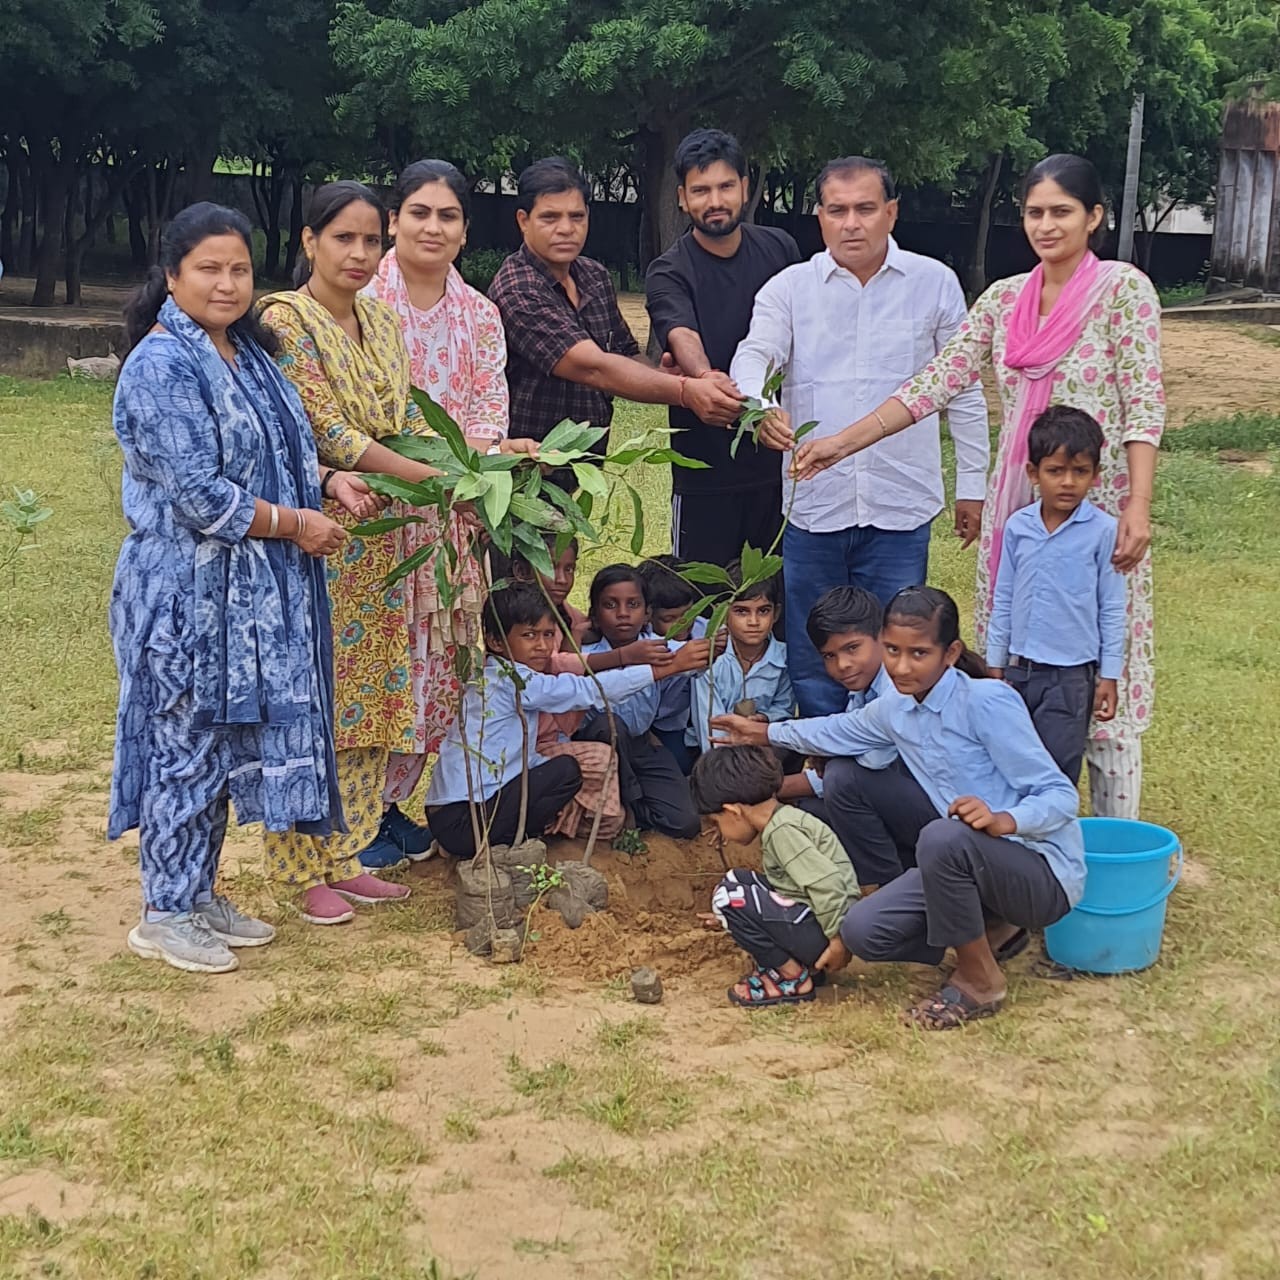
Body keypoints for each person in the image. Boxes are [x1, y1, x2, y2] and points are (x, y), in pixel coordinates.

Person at [788, 153, 1164, 816]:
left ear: (1095, 217)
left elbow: (1143, 403)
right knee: (1009, 663)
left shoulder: (1124, 291)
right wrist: (842, 443)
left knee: (1102, 667)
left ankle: (1111, 840)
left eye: (1062, 212)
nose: (1047, 226)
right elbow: (935, 383)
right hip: (1017, 512)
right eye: (1035, 212)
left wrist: (1136, 504)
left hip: (1094, 509)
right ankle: (1020, 820)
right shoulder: (1004, 299)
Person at [108, 202, 354, 973]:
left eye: (239, 268)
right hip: (186, 594)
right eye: (208, 268)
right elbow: (202, 499)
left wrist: (329, 481)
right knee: (184, 744)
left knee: (220, 749)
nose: (226, 282)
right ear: (172, 275)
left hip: (248, 595)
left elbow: (274, 454)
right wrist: (298, 524)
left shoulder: (246, 354)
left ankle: (199, 892)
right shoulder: (161, 366)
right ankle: (164, 911)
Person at [713, 587, 1084, 1030]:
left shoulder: (987, 701)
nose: (902, 666)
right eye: (893, 651)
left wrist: (1005, 820)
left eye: (918, 653)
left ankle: (980, 979)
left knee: (943, 835)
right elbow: (836, 731)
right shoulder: (897, 709)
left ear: (951, 654)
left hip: (1042, 873)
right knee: (860, 931)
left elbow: (1060, 795)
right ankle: (989, 930)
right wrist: (764, 734)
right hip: (968, 861)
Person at [732, 155, 989, 717]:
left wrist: (973, 483)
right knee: (814, 646)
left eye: (866, 209)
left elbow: (962, 387)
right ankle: (825, 763)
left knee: (897, 646)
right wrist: (759, 406)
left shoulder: (933, 283)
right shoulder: (790, 289)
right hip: (815, 507)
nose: (852, 223)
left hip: (900, 504)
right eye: (838, 210)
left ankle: (885, 759)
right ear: (819, 216)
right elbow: (754, 355)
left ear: (891, 213)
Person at [258, 181, 447, 921]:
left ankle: (346, 850)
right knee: (313, 707)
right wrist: (428, 475)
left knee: (370, 706)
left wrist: (475, 460)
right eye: (345, 238)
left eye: (373, 240)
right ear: (310, 241)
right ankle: (299, 872)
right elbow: (326, 428)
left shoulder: (381, 319)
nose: (361, 254)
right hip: (320, 537)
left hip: (385, 541)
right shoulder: (284, 318)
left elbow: (403, 414)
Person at [365, 159, 538, 829]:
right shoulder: (364, 305)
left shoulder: (481, 315)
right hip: (374, 515)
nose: (432, 228)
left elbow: (489, 410)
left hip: (453, 520)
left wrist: (488, 461)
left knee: (440, 665)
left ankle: (386, 805)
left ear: (465, 230)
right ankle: (352, 810)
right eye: (419, 213)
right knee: (376, 662)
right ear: (393, 221)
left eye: (448, 216)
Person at [488, 157, 743, 466]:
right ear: (523, 221)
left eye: (577, 216)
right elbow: (592, 368)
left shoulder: (593, 276)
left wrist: (660, 375)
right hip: (524, 465)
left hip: (579, 465)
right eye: (550, 218)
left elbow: (622, 351)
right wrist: (685, 390)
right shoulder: (517, 288)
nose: (566, 229)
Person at [426, 584, 710, 858]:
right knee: (564, 771)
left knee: (560, 773)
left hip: (463, 812)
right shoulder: (509, 680)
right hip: (463, 817)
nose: (542, 646)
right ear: (495, 641)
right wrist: (669, 668)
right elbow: (586, 690)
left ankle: (507, 836)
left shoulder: (499, 675)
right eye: (529, 635)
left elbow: (519, 760)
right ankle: (496, 842)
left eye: (548, 634)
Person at [644, 129, 801, 563]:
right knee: (700, 605)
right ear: (682, 197)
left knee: (777, 604)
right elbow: (680, 334)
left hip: (780, 468)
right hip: (705, 472)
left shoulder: (781, 249)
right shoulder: (668, 271)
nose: (714, 200)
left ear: (745, 188)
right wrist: (706, 377)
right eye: (701, 190)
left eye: (725, 186)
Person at [987, 407, 1126, 783]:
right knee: (1011, 763)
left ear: (1095, 476)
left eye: (1080, 472)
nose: (1068, 482)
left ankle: (1053, 840)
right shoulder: (1019, 527)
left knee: (1058, 772)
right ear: (1033, 473)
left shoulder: (1103, 531)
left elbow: (1112, 606)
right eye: (1055, 471)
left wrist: (1109, 675)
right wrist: (995, 663)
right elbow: (1004, 597)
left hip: (1071, 679)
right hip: (1020, 671)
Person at [691, 746, 858, 1008]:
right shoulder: (782, 821)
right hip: (816, 923)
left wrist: (838, 941)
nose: (719, 831)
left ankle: (790, 977)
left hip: (827, 935)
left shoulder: (783, 832)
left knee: (729, 897)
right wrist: (744, 917)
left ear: (733, 812)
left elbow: (827, 884)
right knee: (737, 881)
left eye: (716, 822)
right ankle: (800, 965)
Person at [779, 588, 914, 893]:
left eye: (853, 648)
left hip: (941, 811)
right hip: (904, 807)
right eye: (830, 656)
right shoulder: (861, 692)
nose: (842, 665)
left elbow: (872, 763)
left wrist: (837, 755)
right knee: (814, 809)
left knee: (842, 776)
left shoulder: (897, 689)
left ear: (883, 637)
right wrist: (770, 789)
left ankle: (883, 891)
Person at [577, 565, 704, 839]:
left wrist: (714, 645)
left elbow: (692, 653)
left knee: (685, 822)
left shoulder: (659, 646)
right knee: (608, 724)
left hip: (641, 743)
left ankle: (630, 812)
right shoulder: (586, 655)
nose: (623, 614)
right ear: (595, 615)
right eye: (610, 605)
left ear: (647, 613)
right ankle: (625, 803)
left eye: (633, 604)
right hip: (599, 745)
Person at [688, 568, 793, 754]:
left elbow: (784, 708)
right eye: (741, 611)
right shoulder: (710, 660)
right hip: (714, 750)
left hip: (763, 742)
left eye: (763, 611)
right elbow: (710, 728)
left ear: (776, 613)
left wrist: (764, 717)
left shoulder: (785, 659)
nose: (753, 621)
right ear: (723, 613)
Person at [638, 555, 708, 772]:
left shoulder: (704, 629)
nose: (683, 624)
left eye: (689, 613)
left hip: (690, 718)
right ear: (647, 615)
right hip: (651, 725)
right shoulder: (641, 642)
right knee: (676, 766)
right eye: (670, 619)